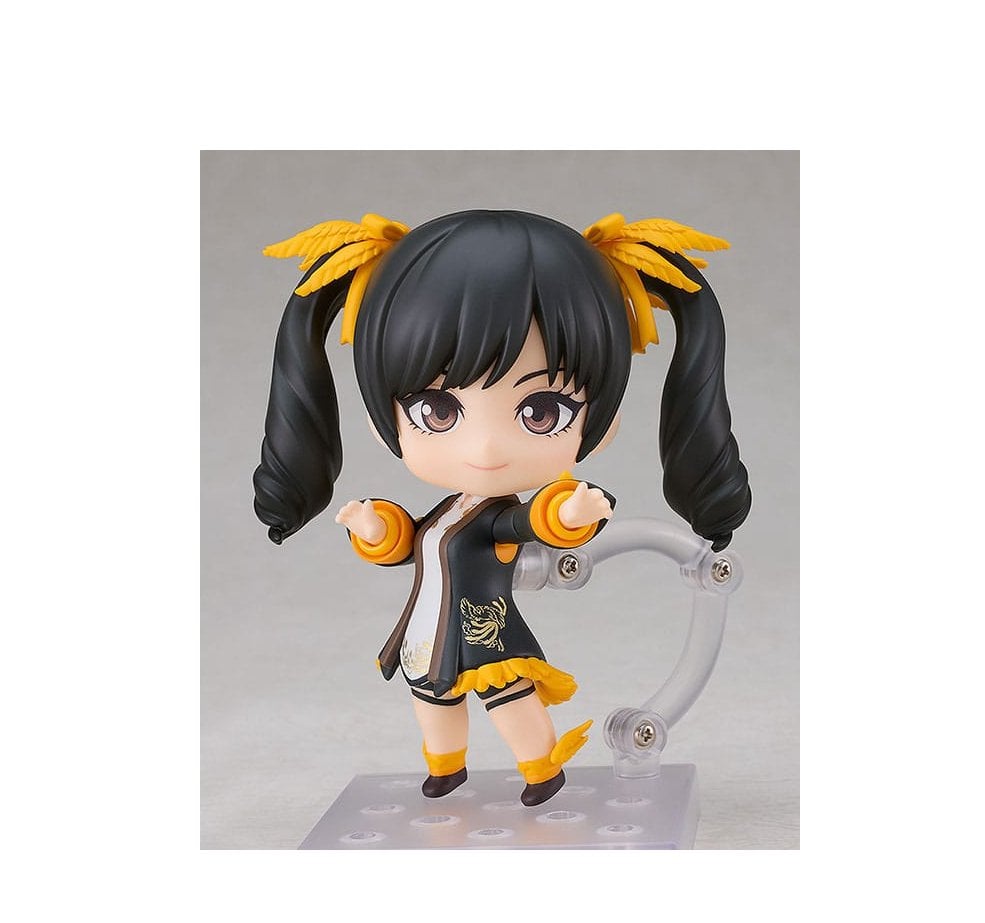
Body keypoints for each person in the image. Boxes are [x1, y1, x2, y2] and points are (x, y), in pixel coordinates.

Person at [253, 209, 750, 806]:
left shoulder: (494, 515)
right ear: (382, 416)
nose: (486, 448)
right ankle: (445, 768)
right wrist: (372, 526)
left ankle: (542, 770)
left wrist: (571, 515)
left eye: (541, 412)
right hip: (428, 632)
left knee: (510, 701)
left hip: (486, 632)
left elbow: (532, 522)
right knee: (431, 702)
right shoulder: (448, 509)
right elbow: (410, 541)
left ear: (604, 420)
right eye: (437, 410)